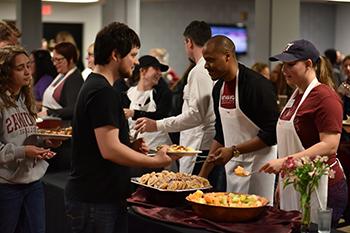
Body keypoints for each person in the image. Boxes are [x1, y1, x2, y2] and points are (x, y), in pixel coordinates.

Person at [64, 22, 174, 233]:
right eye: (132, 54)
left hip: (101, 196)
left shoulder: (102, 88)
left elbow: (101, 142)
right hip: (96, 200)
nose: (136, 61)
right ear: (115, 54)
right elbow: (110, 149)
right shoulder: (101, 91)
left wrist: (130, 145)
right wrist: (154, 161)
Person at [260, 39, 347, 226]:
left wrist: (285, 162)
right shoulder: (296, 95)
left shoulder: (325, 97)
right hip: (295, 182)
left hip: (323, 185)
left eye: (291, 64)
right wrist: (283, 185)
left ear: (309, 64)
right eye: (283, 64)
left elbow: (330, 145)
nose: (284, 70)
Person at [199, 35, 278, 205]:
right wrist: (203, 174)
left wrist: (234, 150)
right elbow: (221, 132)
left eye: (210, 60)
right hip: (233, 165)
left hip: (259, 166)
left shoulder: (257, 86)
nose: (206, 66)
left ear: (228, 56)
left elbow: (272, 133)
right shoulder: (218, 88)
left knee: (257, 218)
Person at [135, 20, 216, 176]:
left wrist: (157, 125)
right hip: (198, 144)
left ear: (189, 42)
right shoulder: (204, 68)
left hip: (199, 147)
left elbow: (196, 115)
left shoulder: (200, 70)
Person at [0, 46, 57, 233]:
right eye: (20, 68)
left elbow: (26, 136)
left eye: (28, 65)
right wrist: (23, 152)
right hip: (6, 186)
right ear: (5, 72)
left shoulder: (25, 99)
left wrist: (44, 142)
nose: (27, 72)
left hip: (33, 182)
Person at [124, 55, 173, 150]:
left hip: (160, 149)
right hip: (137, 150)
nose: (160, 73)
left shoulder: (163, 93)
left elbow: (161, 116)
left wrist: (134, 113)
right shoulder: (127, 94)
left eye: (160, 70)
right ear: (143, 71)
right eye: (156, 69)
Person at [39, 42, 84, 122]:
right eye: (53, 60)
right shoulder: (62, 75)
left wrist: (48, 113)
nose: (55, 63)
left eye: (59, 60)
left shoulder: (74, 79)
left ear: (71, 59)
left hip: (62, 127)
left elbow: (73, 109)